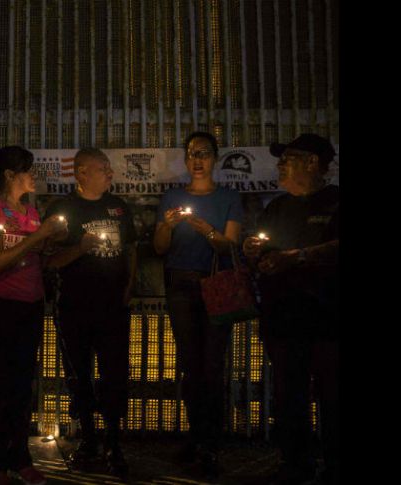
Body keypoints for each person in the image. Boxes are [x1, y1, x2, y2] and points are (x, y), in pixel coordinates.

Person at [242, 134, 339, 485]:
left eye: (289, 159)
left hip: (328, 320)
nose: (281, 165)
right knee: (289, 396)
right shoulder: (278, 207)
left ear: (313, 163)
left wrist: (296, 257)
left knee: (332, 396)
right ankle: (295, 464)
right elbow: (263, 253)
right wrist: (255, 253)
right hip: (283, 319)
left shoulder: (335, 201)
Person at [0, 146, 67, 485]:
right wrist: (37, 238)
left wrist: (51, 241)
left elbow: (34, 253)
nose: (34, 176)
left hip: (30, 306)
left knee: (23, 386)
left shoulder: (30, 211)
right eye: (28, 170)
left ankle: (20, 457)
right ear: (11, 176)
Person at [153, 131, 243, 478]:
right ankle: (196, 436)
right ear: (185, 159)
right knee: (190, 365)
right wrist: (168, 225)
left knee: (212, 366)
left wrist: (207, 231)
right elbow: (161, 247)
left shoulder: (229, 197)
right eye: (192, 153)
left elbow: (230, 246)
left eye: (204, 153)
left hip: (215, 284)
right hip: (181, 285)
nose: (197, 159)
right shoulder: (173, 197)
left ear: (215, 158)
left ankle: (211, 443)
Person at [43, 147, 137, 478]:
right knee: (79, 375)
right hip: (75, 306)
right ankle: (89, 440)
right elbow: (49, 260)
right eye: (103, 168)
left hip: (113, 306)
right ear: (81, 173)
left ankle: (114, 441)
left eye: (110, 168)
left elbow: (130, 248)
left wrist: (128, 286)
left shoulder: (119, 207)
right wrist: (80, 248)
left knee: (114, 375)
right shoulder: (62, 209)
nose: (110, 173)